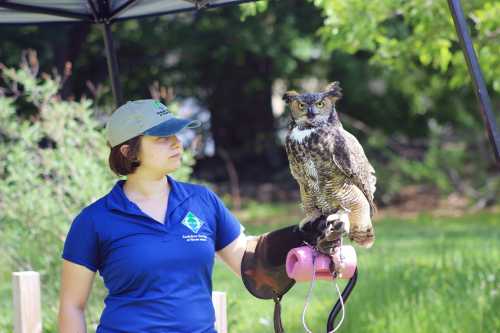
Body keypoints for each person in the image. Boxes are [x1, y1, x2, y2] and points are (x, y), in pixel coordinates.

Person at [58, 99, 330, 333]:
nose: (177, 142)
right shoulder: (95, 220)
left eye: (176, 134)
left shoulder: (202, 201)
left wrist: (302, 237)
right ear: (128, 152)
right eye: (163, 138)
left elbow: (250, 262)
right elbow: (72, 306)